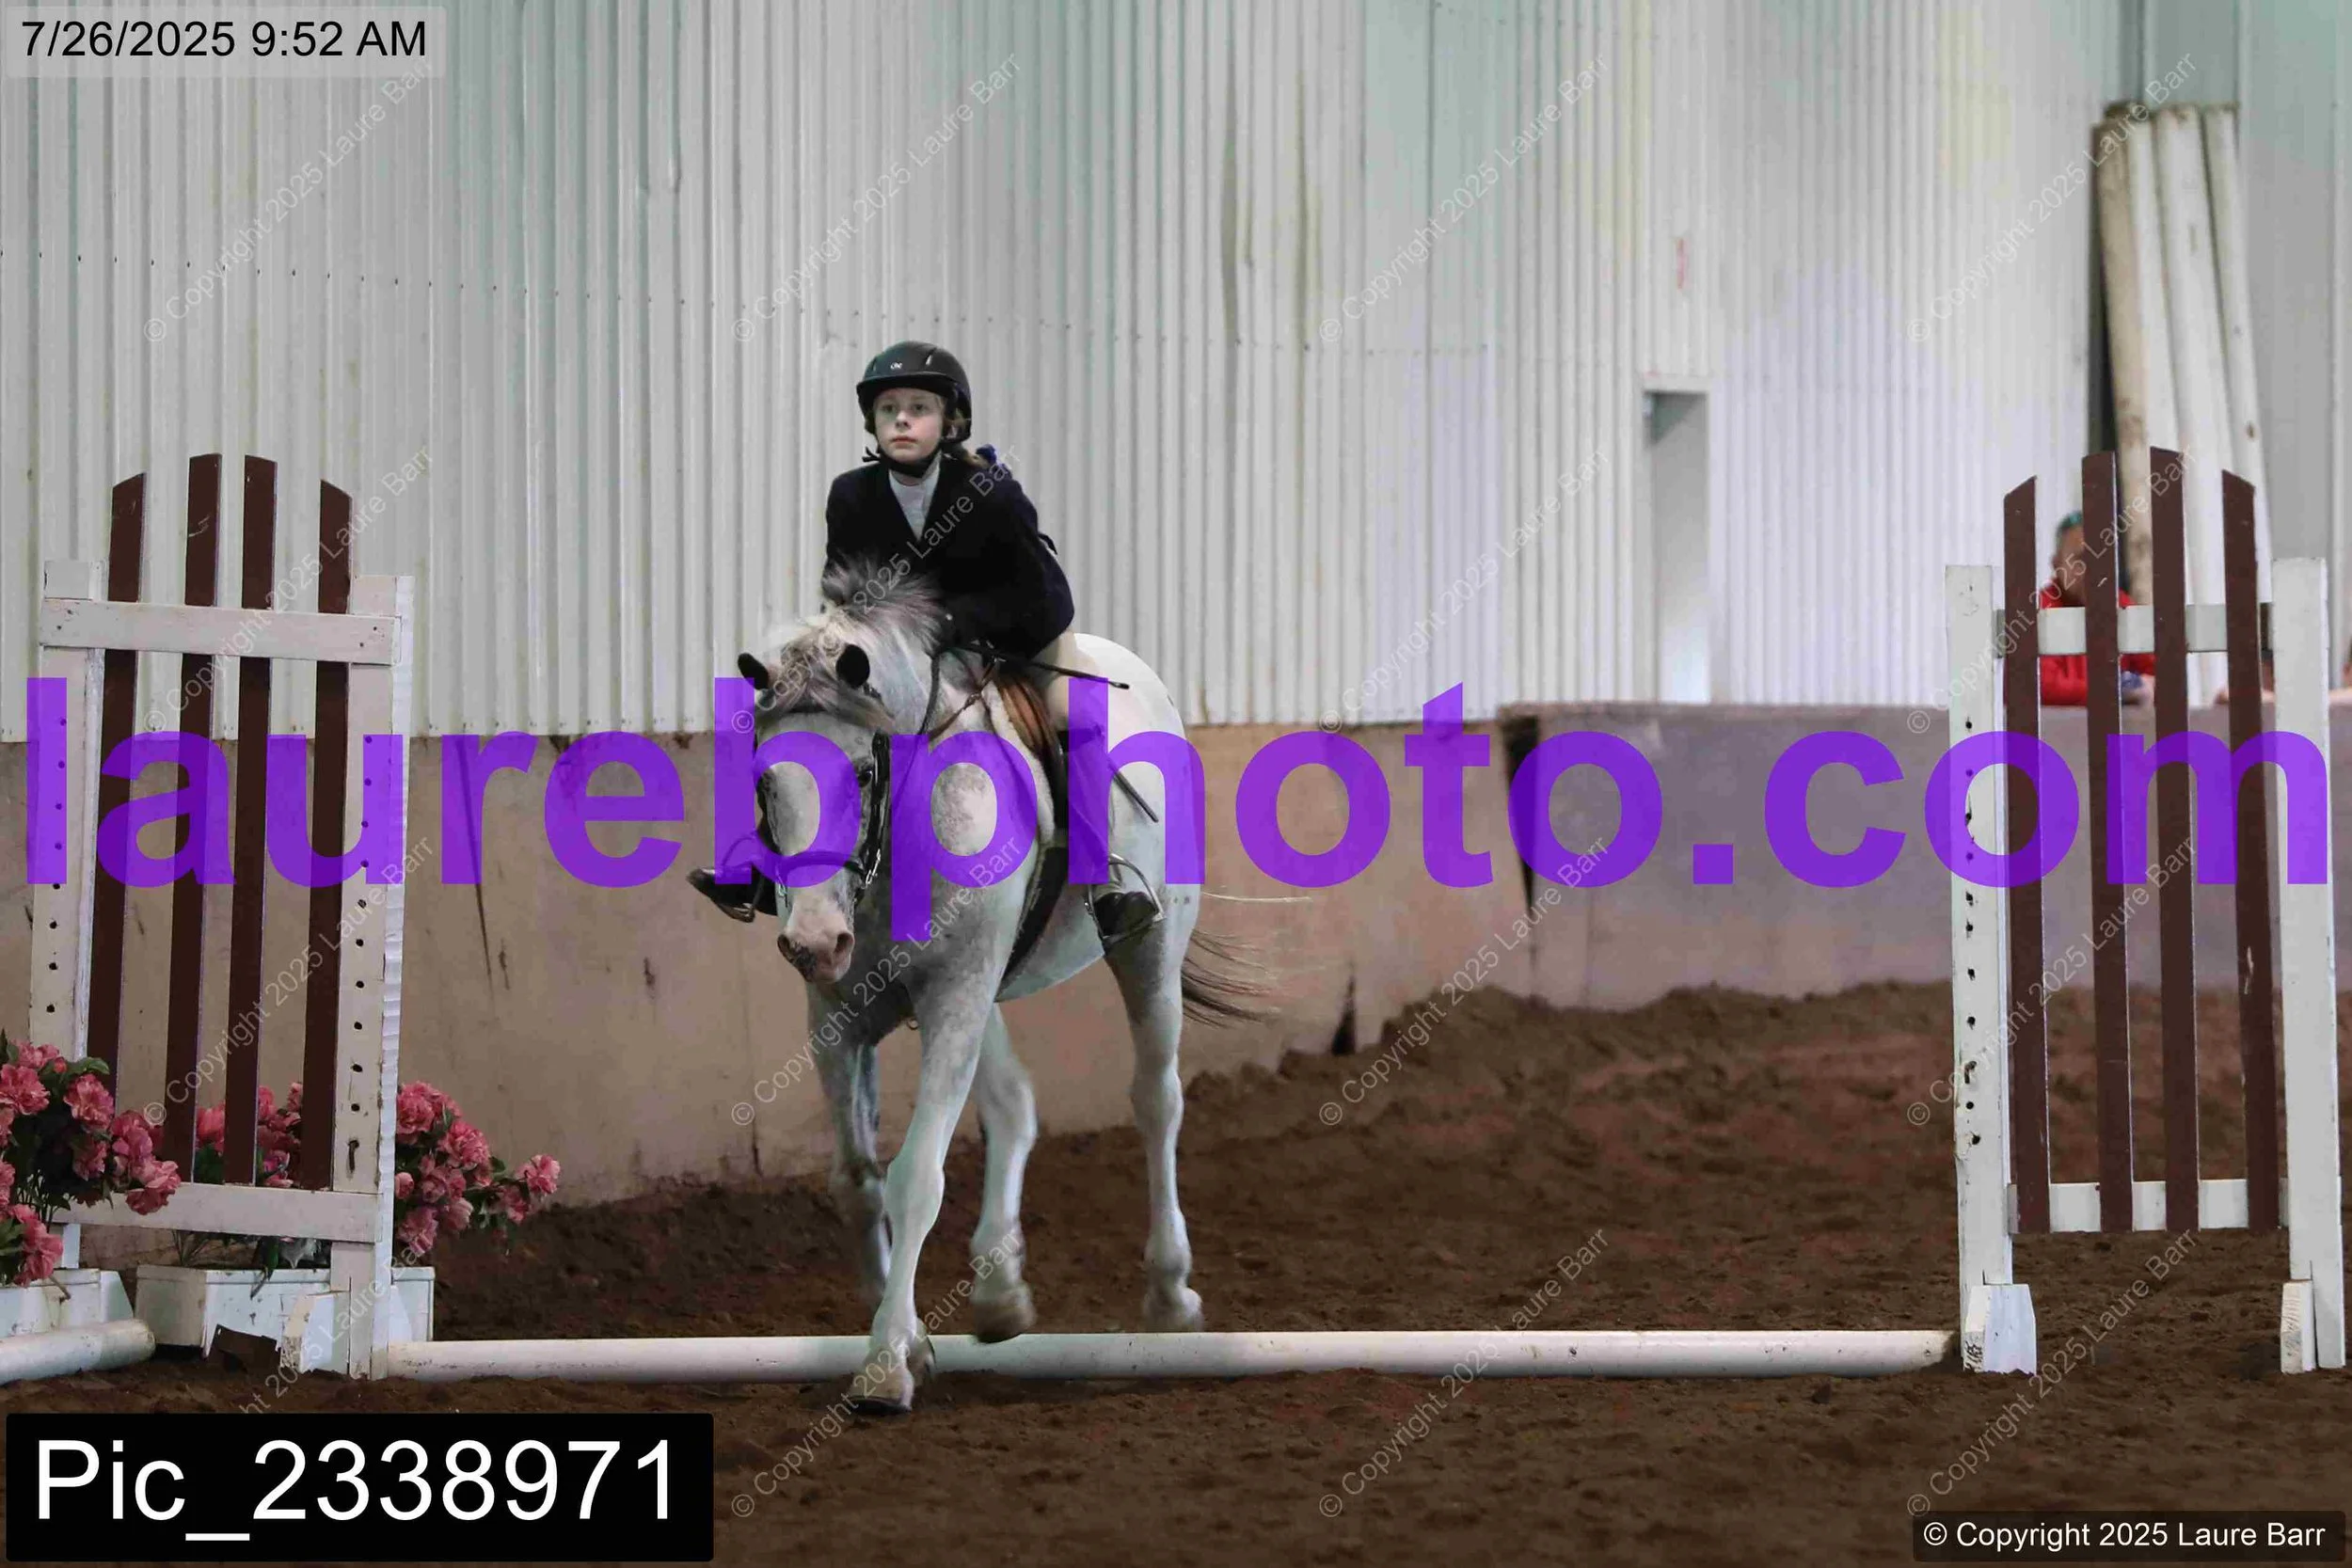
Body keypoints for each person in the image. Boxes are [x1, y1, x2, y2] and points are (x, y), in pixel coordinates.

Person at [688, 341, 1155, 942]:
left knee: (1076, 708)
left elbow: (1045, 598)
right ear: (873, 424)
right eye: (889, 410)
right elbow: (845, 591)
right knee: (790, 712)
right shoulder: (851, 495)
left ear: (950, 422)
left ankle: (1105, 875)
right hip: (903, 653)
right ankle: (755, 861)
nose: (902, 421)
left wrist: (951, 623)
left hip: (1012, 635)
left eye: (918, 408)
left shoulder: (990, 490)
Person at [2039, 514, 2154, 708]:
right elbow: (2041, 687)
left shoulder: (2121, 605)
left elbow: (2161, 677)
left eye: (2101, 557)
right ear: (2057, 565)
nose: (2093, 569)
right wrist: (2118, 690)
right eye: (2080, 560)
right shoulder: (2042, 610)